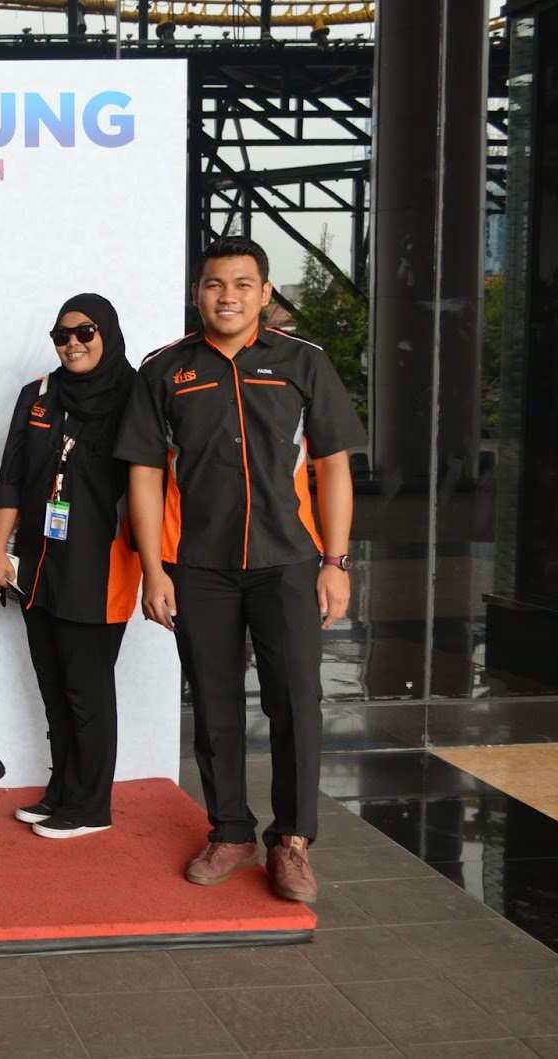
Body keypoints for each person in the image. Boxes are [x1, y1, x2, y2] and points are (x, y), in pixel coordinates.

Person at [115, 236, 365, 904]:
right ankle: (229, 831)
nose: (227, 296)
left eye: (242, 284)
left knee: (296, 701)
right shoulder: (165, 369)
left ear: (265, 292)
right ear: (197, 292)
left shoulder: (304, 362)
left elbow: (333, 467)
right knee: (214, 701)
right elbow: (144, 476)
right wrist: (153, 570)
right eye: (214, 284)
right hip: (198, 566)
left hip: (289, 562)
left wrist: (336, 561)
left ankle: (293, 841)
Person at [0, 294, 141, 839]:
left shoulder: (135, 396)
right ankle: (64, 791)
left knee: (86, 690)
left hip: (99, 566)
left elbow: (152, 484)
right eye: (62, 335)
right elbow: (11, 476)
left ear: (108, 333)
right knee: (54, 686)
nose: (72, 343)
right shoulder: (39, 395)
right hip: (38, 564)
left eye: (85, 332)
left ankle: (91, 805)